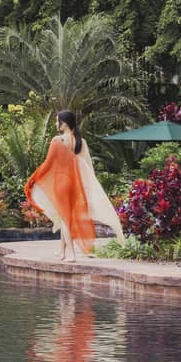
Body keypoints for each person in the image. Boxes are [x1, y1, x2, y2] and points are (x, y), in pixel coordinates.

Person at [25, 110, 123, 261]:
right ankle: (62, 251)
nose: (56, 124)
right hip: (74, 183)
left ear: (64, 123)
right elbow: (86, 165)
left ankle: (71, 254)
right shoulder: (80, 142)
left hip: (61, 183)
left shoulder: (57, 140)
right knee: (65, 214)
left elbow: (47, 164)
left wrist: (33, 178)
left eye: (57, 121)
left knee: (65, 219)